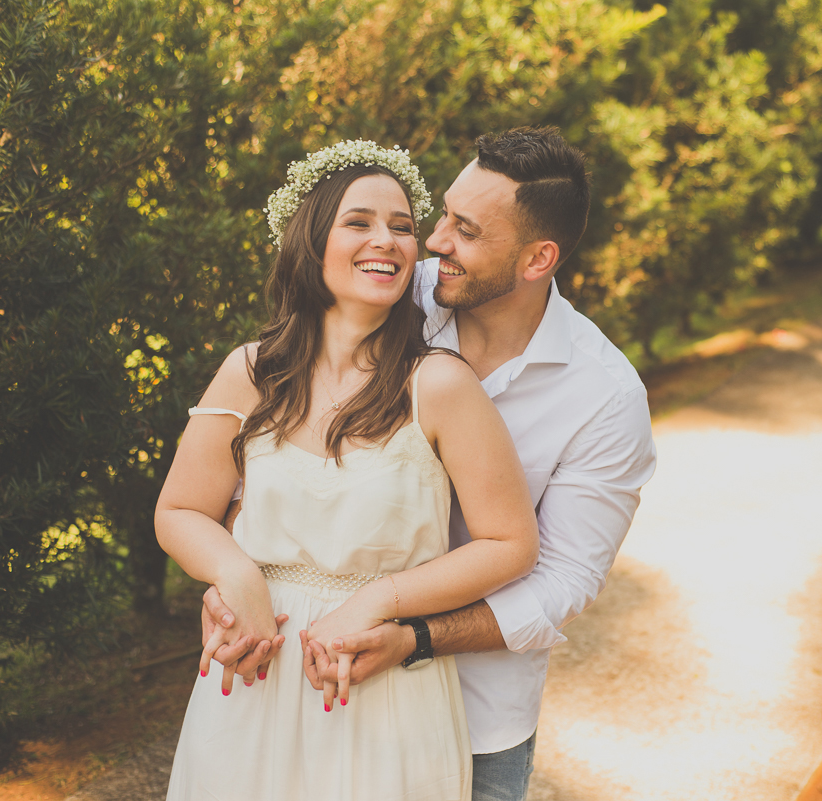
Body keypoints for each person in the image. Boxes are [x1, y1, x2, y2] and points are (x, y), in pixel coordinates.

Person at [202, 127, 658, 801]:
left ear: (538, 259)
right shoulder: (384, 288)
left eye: (466, 230)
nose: (435, 240)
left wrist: (413, 637)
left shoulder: (604, 396)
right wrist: (233, 581)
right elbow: (267, 452)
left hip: (477, 716)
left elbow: (564, 578)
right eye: (443, 214)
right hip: (302, 672)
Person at [154, 140, 540, 801]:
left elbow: (511, 543)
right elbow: (180, 510)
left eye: (402, 227)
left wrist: (375, 602)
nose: (386, 240)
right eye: (359, 222)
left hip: (380, 686)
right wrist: (236, 576)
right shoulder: (250, 372)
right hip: (253, 674)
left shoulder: (439, 384)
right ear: (311, 240)